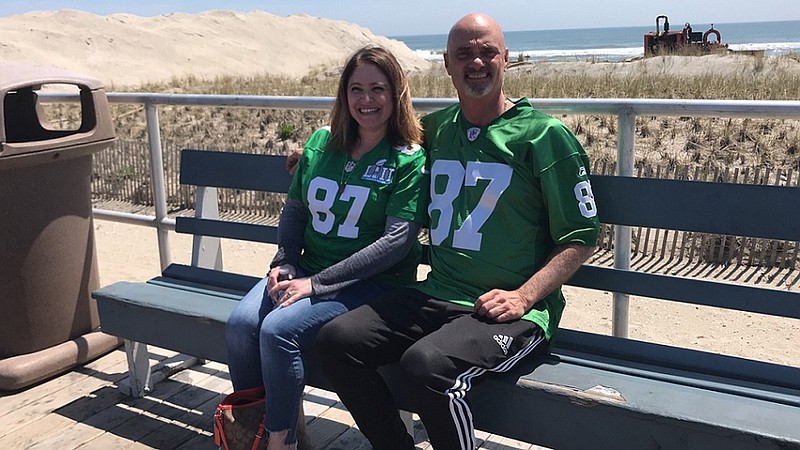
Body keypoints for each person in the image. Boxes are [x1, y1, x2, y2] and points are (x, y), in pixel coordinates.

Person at [314, 13, 601, 450]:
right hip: (437, 292)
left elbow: (580, 238)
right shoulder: (435, 130)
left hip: (511, 311)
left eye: (487, 51)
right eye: (463, 53)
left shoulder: (544, 136)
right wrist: (313, 158)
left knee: (424, 366)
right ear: (447, 63)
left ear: (507, 59)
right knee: (336, 341)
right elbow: (371, 145)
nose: (476, 62)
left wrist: (524, 296)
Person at [225, 45, 427, 450]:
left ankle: (280, 443)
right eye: (356, 89)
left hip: (373, 283)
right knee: (242, 324)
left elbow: (396, 242)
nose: (366, 100)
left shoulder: (408, 159)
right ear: (343, 94)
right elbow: (295, 211)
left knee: (278, 330)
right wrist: (285, 261)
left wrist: (315, 285)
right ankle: (256, 430)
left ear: (396, 93)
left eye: (377, 89)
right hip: (309, 272)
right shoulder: (321, 142)